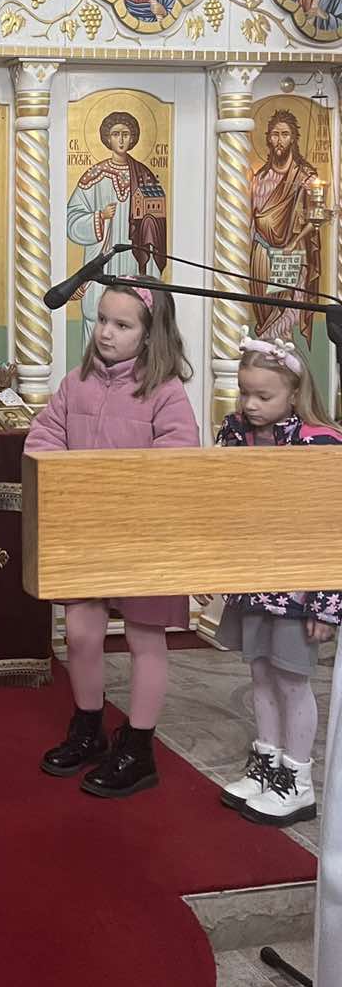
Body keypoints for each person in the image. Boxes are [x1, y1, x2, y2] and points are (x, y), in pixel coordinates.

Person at [25, 281, 200, 797]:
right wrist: (64, 471)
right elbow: (44, 435)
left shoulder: (165, 390)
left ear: (149, 334)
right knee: (81, 632)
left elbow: (179, 455)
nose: (105, 332)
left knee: (145, 637)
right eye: (101, 320)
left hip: (146, 536)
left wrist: (121, 485)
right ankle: (88, 728)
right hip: (88, 532)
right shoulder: (75, 383)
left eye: (122, 325)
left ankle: (138, 747)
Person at [212, 339, 342, 827]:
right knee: (260, 672)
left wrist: (326, 604)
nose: (250, 404)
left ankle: (297, 780)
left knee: (291, 680)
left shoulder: (321, 444)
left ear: (294, 392)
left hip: (298, 588)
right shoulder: (236, 435)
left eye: (263, 396)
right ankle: (266, 763)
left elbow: (333, 529)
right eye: (244, 392)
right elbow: (220, 504)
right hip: (252, 579)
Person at [65, 111, 167, 349]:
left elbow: (157, 221)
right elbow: (72, 219)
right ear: (107, 138)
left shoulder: (145, 176)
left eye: (126, 134)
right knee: (97, 315)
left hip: (133, 256)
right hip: (103, 257)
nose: (121, 140)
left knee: (134, 315)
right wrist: (99, 217)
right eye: (115, 134)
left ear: (133, 138)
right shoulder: (94, 176)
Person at [250, 109, 320, 347]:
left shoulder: (305, 177)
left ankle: (282, 362)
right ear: (268, 139)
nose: (279, 140)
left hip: (289, 253)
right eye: (275, 134)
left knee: (284, 313)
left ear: (293, 139)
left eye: (285, 134)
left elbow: (314, 217)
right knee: (264, 311)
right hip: (260, 252)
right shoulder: (260, 177)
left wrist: (294, 242)